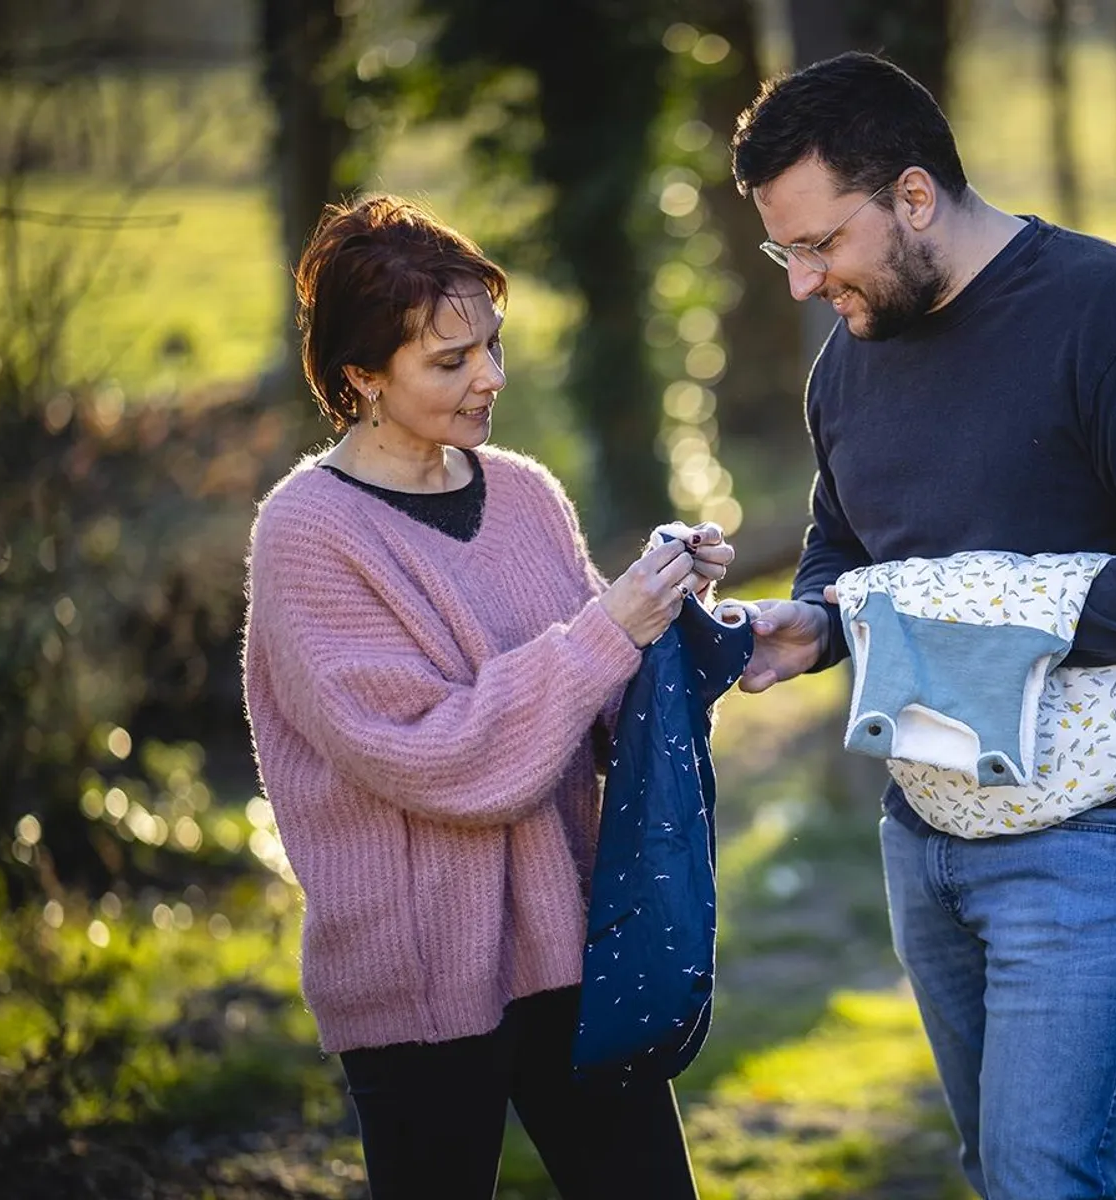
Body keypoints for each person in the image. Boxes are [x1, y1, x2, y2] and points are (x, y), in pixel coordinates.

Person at [724, 53, 1116, 1199]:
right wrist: (814, 628)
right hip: (924, 828)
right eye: (786, 251)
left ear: (914, 197)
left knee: (1040, 1177)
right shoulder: (848, 368)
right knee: (996, 1168)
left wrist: (983, 633)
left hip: (1101, 829)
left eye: (820, 245)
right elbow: (849, 547)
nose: (802, 283)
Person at [241, 194, 730, 1199]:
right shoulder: (307, 536)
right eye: (450, 361)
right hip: (418, 986)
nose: (490, 379)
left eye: (493, 347)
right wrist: (612, 626)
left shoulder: (522, 493)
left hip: (575, 950)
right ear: (360, 377)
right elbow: (440, 758)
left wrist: (675, 602)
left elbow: (599, 710)